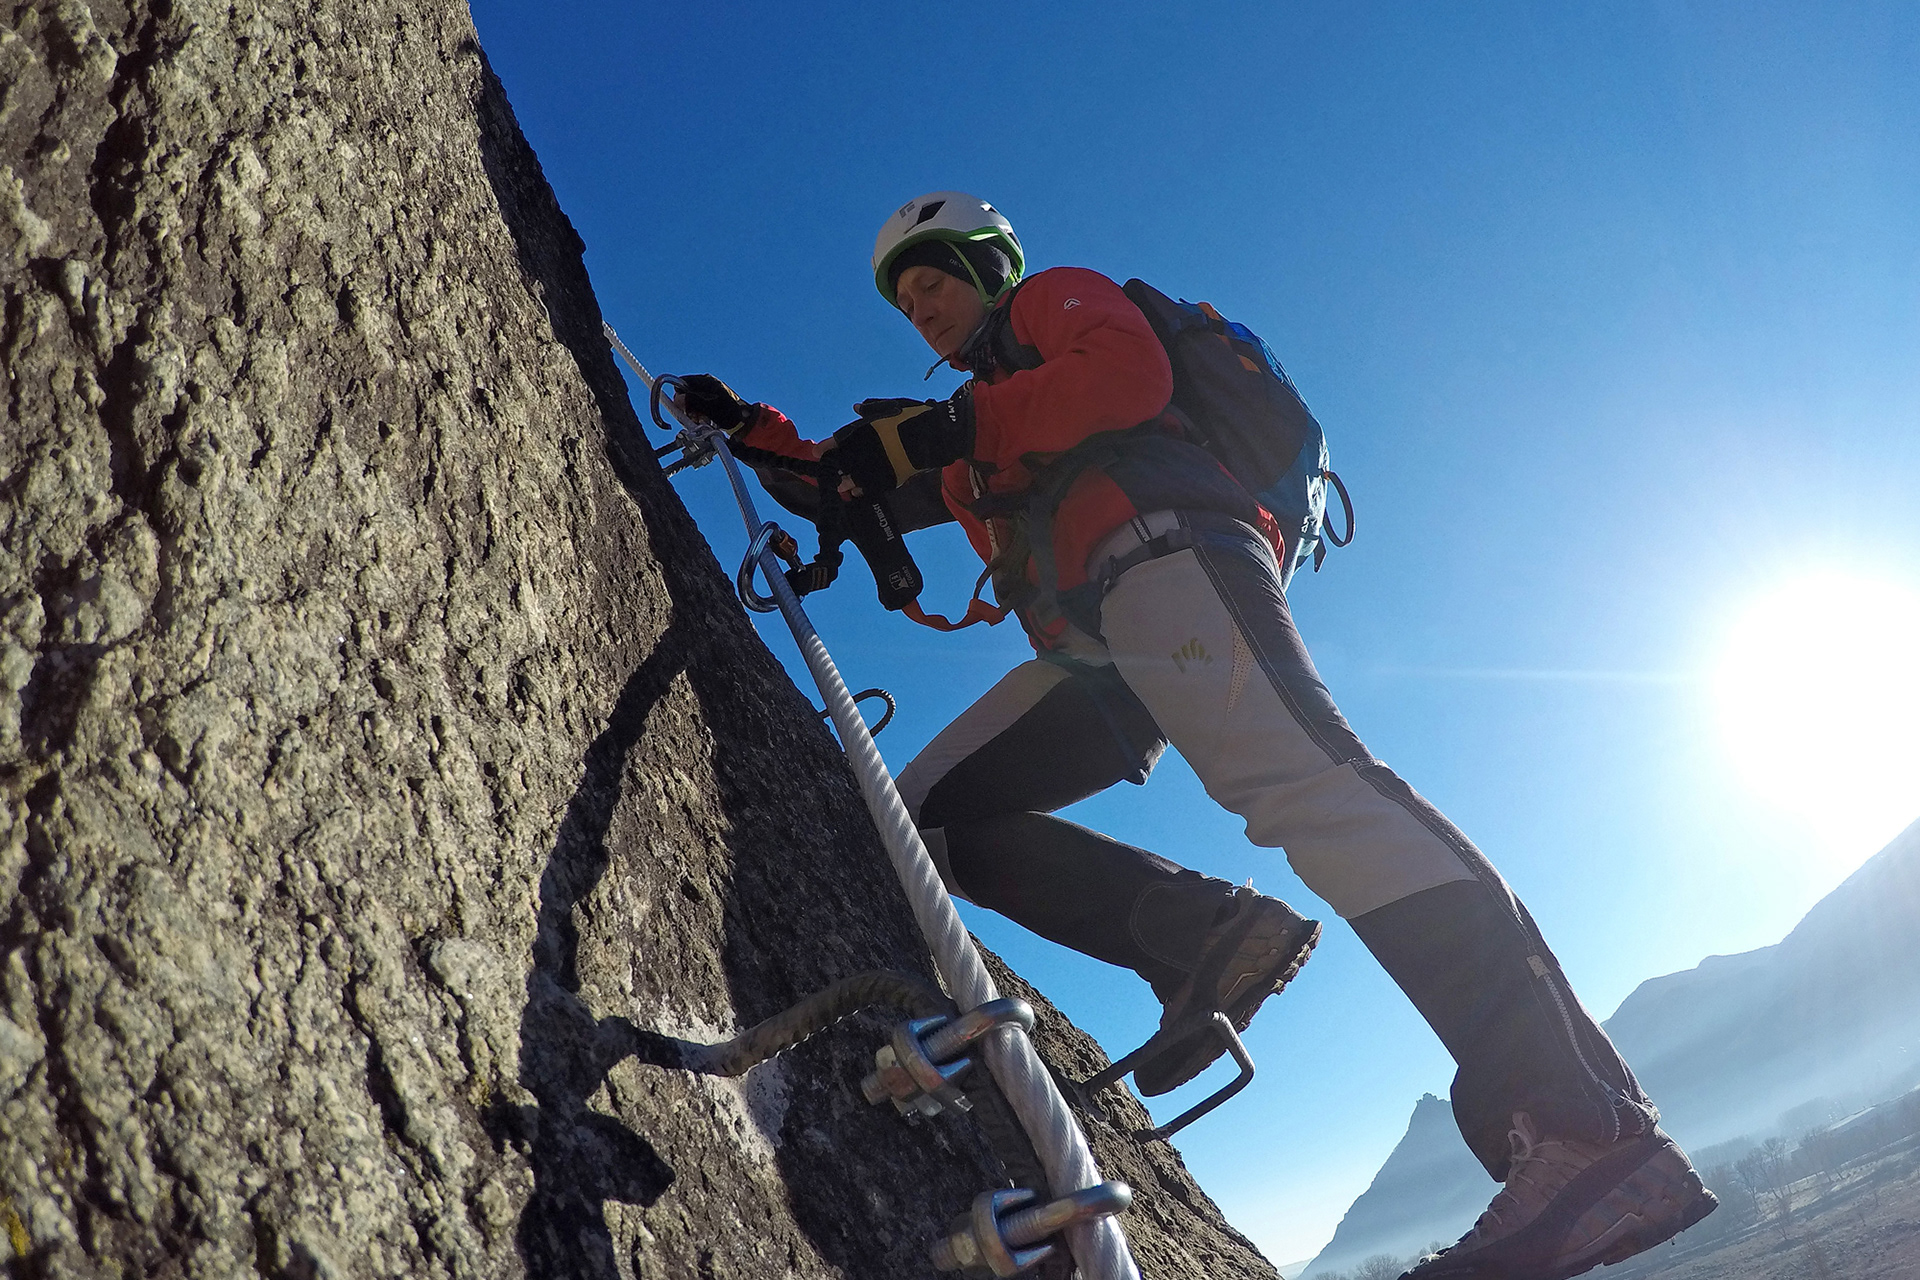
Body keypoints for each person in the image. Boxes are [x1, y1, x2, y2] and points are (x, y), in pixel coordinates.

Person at [680, 192, 1716, 1280]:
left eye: (935, 276)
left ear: (990, 266)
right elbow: (859, 486)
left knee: (1313, 788)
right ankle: (1200, 936)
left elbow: (1130, 378)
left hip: (1170, 554)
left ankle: (1580, 1128)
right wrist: (753, 430)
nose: (920, 306)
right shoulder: (991, 416)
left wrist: (946, 427)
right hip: (1108, 643)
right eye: (905, 297)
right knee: (922, 812)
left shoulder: (1049, 306)